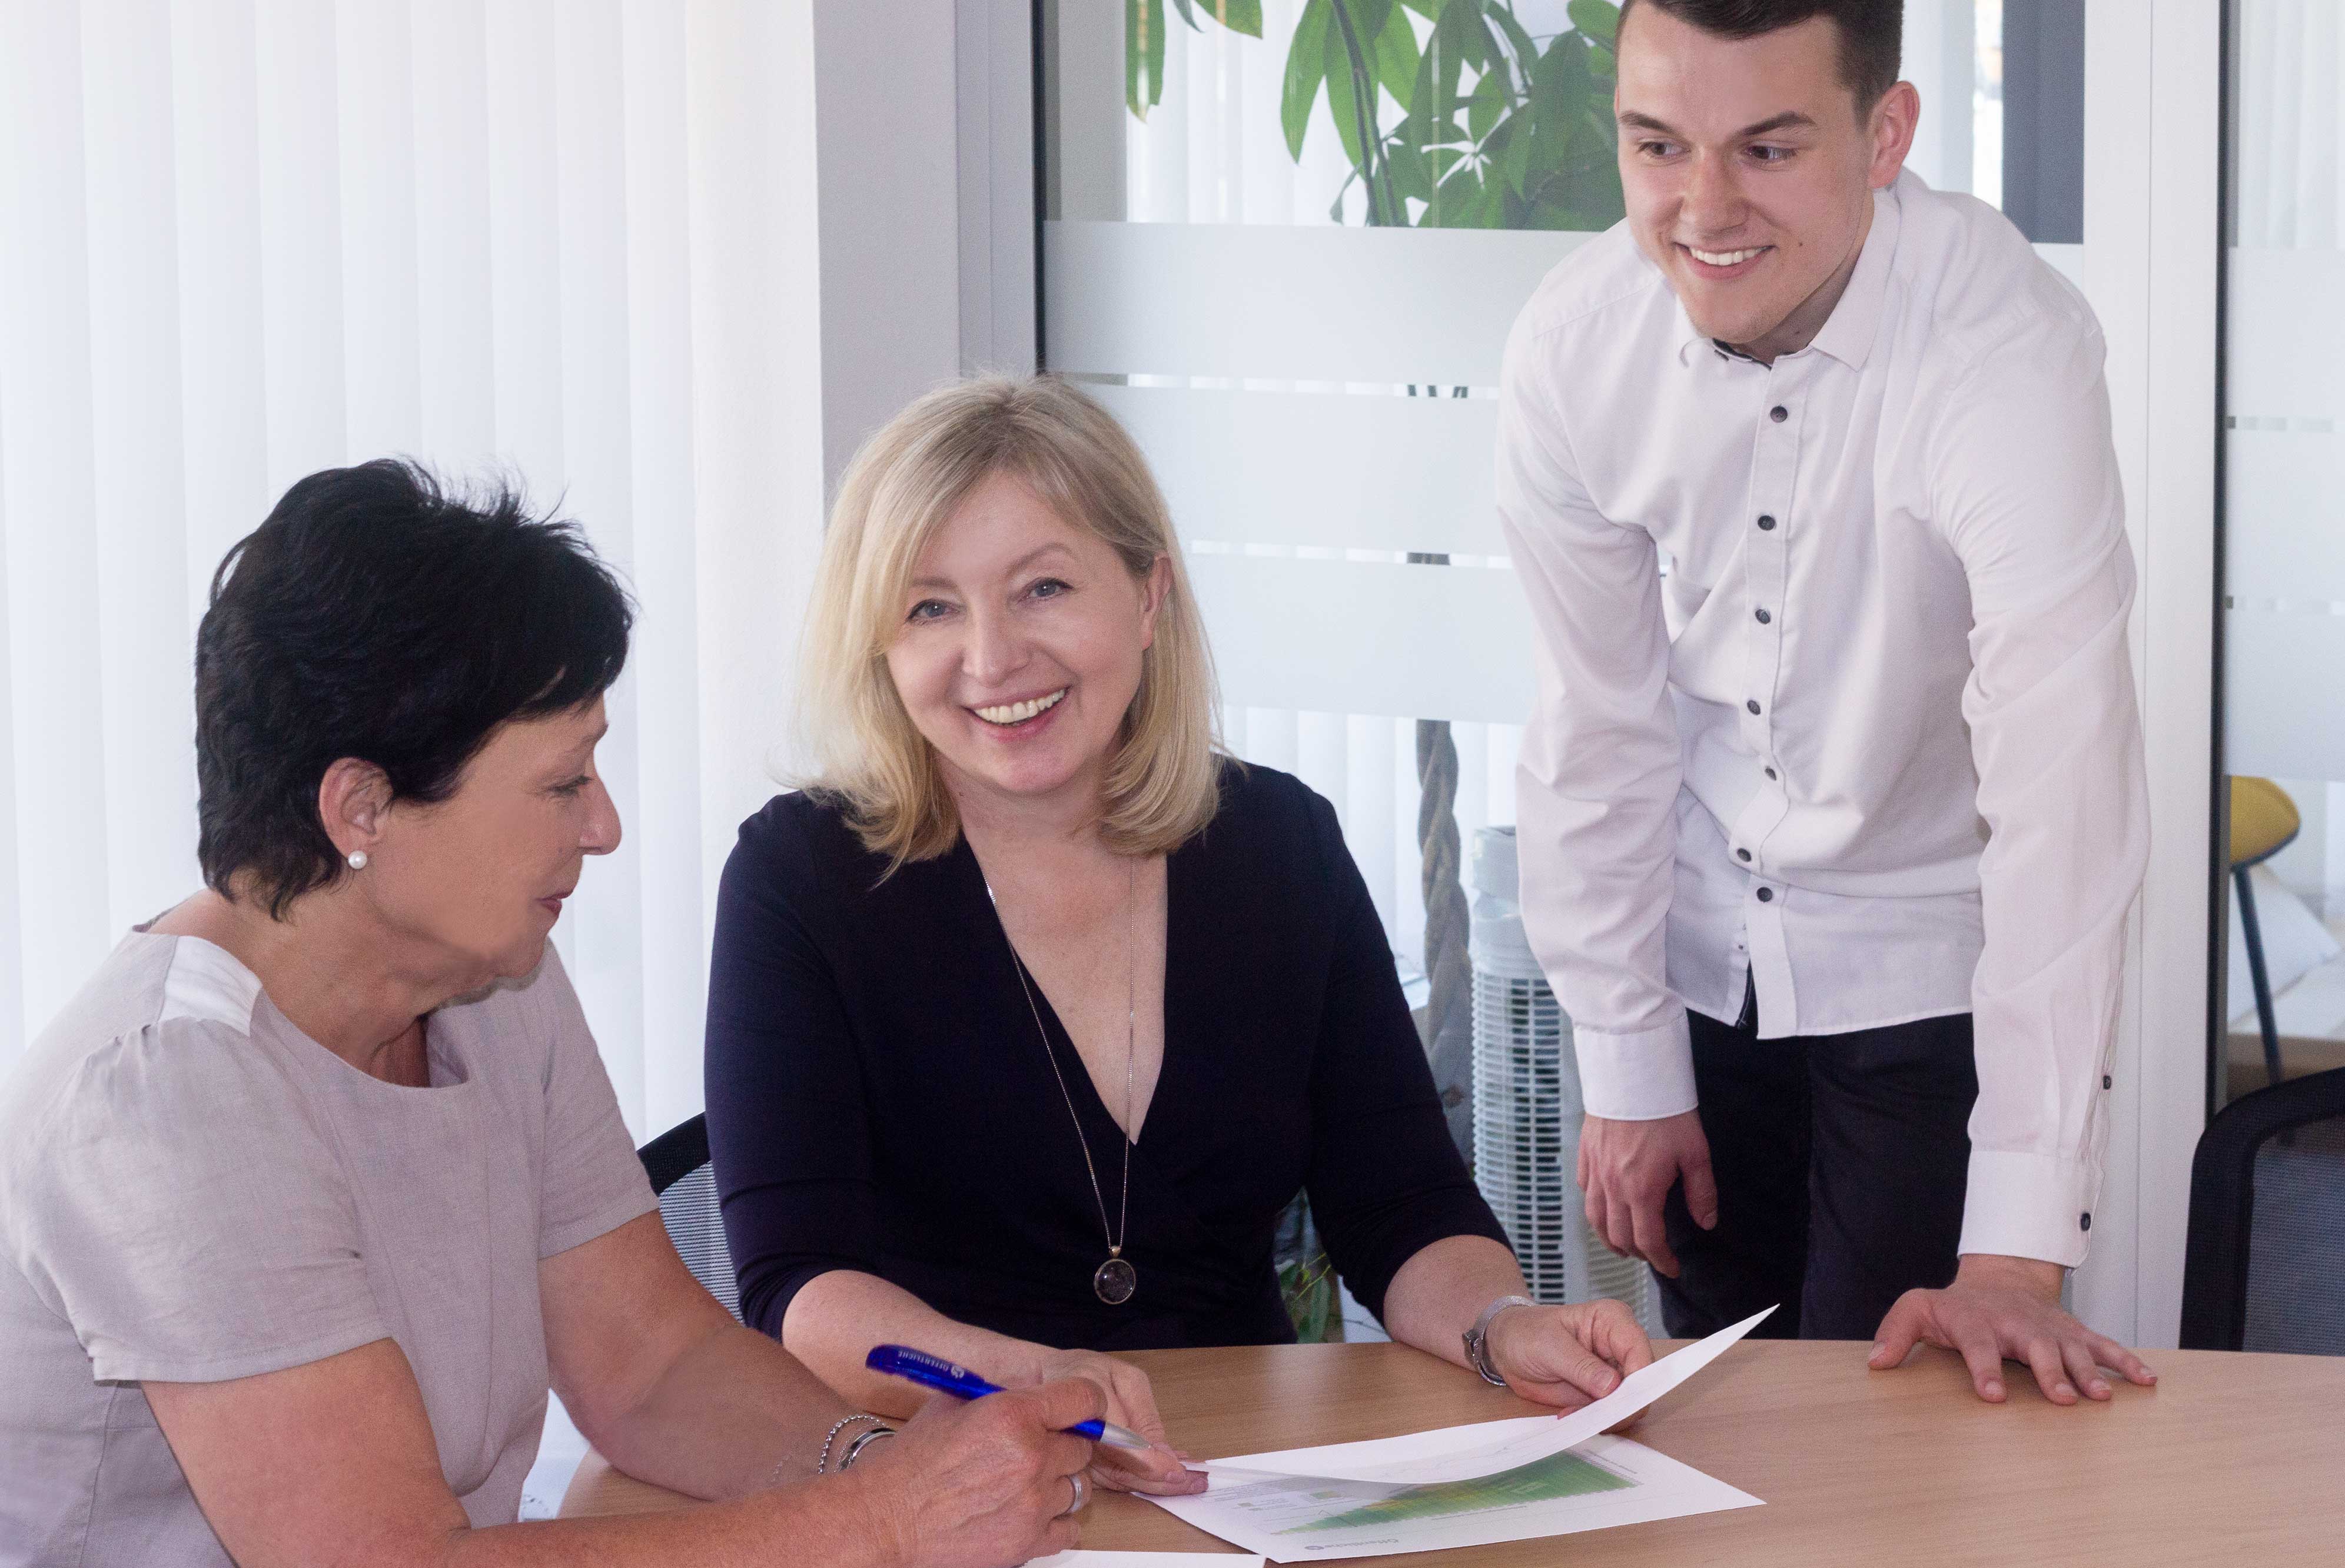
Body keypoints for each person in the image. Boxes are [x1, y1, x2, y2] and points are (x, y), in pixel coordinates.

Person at [0, 460, 1101, 1568]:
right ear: (362, 807)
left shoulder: (485, 977)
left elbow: (652, 1366)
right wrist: (889, 1521)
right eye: (564, 782)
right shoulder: (166, 1097)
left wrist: (878, 1464)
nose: (606, 826)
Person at [703, 376, 1653, 1498]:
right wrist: (1036, 1383)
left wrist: (1501, 1327)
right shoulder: (800, 877)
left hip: (1246, 1477)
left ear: (1148, 596)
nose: (992, 657)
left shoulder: (1280, 845)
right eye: (930, 609)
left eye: (1043, 587)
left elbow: (1402, 1208)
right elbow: (801, 1288)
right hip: (947, 1482)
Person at [1496, 0, 2161, 1407]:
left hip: (1925, 956)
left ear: (1887, 134)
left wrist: (2018, 1251)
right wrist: (1625, 1057)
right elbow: (1594, 724)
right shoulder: (1575, 346)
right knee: (1709, 1425)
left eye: (1769, 148)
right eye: (1658, 145)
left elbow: (2066, 789)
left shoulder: (2009, 358)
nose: (1704, 208)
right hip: (1694, 948)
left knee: (1909, 1433)